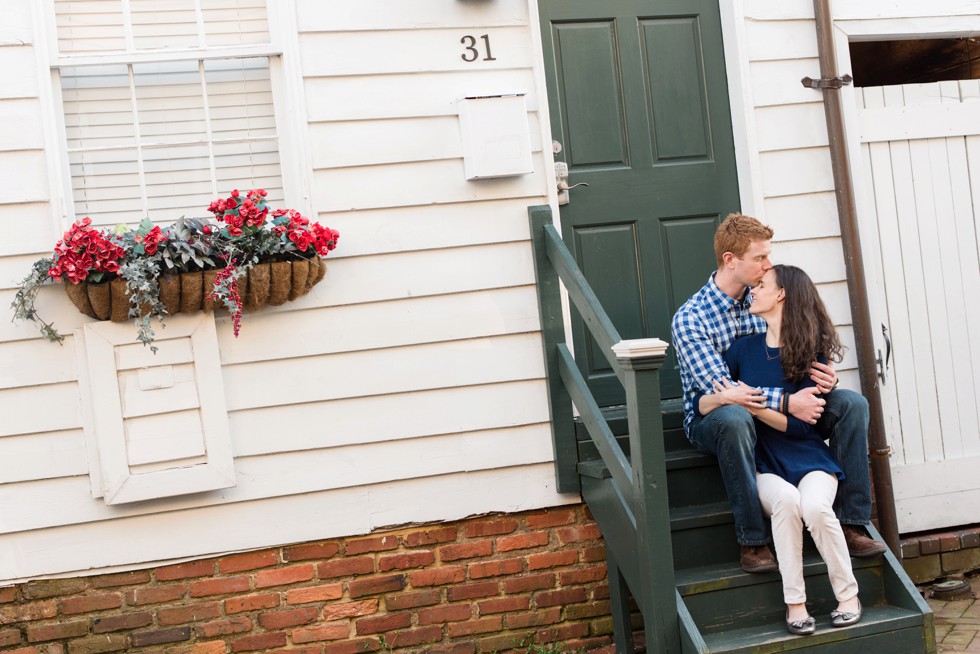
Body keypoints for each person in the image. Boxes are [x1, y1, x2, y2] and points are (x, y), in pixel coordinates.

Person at [670, 213, 885, 574]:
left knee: (851, 403)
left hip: (783, 412)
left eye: (769, 257)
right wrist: (789, 402)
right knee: (735, 417)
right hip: (712, 417)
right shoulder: (691, 319)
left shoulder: (763, 300)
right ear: (730, 260)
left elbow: (799, 345)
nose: (768, 265)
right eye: (760, 258)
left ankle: (851, 522)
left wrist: (822, 381)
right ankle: (752, 541)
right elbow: (725, 390)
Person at [698, 265, 862, 635]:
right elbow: (715, 402)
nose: (754, 291)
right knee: (787, 503)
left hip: (807, 457)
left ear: (782, 294)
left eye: (762, 285)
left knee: (816, 507)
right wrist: (729, 400)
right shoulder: (741, 350)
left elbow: (802, 424)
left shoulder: (811, 354)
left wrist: (753, 406)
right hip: (763, 463)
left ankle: (848, 596)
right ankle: (796, 604)